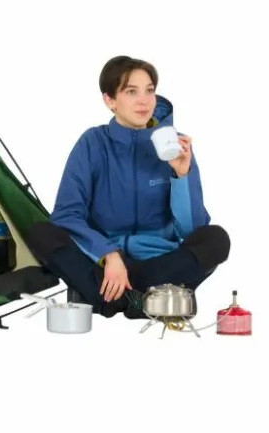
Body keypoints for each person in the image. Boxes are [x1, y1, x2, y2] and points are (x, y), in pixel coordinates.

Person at [25, 56, 230, 318]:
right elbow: (67, 214)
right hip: (104, 260)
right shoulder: (93, 143)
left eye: (149, 90)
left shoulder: (175, 146)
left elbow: (193, 230)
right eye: (131, 91)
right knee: (41, 232)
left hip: (160, 260)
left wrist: (182, 175)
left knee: (216, 239)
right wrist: (109, 254)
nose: (144, 101)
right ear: (110, 100)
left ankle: (114, 296)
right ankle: (155, 296)